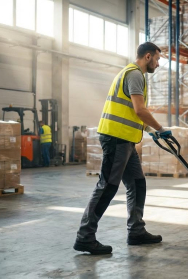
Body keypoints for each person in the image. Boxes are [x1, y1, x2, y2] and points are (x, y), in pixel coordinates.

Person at [74, 42, 171, 255]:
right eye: (157, 58)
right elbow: (139, 109)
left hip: (125, 140)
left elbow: (131, 112)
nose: (158, 62)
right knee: (107, 185)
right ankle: (85, 236)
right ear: (147, 56)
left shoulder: (132, 74)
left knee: (137, 183)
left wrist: (150, 130)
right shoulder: (135, 75)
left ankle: (136, 231)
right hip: (117, 139)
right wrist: (160, 128)